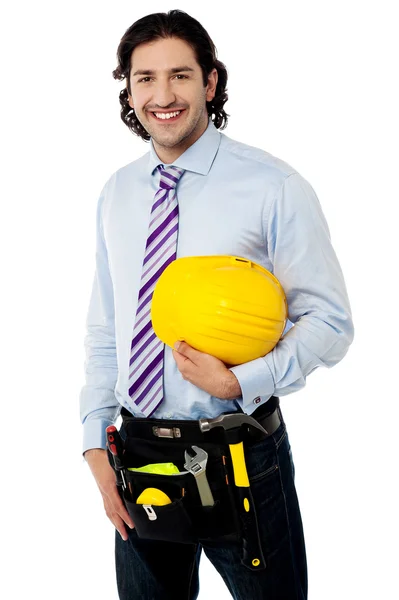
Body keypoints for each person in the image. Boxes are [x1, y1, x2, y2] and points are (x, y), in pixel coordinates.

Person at [80, 9, 354, 600]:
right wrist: (93, 441)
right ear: (128, 88)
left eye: (180, 75)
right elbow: (108, 328)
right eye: (144, 77)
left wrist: (245, 381)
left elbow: (330, 322)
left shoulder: (273, 186)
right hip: (141, 453)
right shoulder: (118, 192)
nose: (162, 95)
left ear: (210, 82)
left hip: (241, 451)